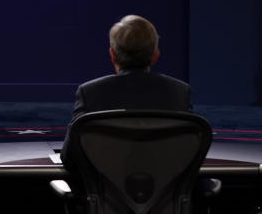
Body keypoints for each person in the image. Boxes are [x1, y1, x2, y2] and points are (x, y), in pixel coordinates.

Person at [61, 15, 192, 166]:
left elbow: (70, 158)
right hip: (165, 187)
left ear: (112, 55)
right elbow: (187, 154)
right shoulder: (180, 92)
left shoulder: (90, 92)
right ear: (156, 56)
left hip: (105, 188)